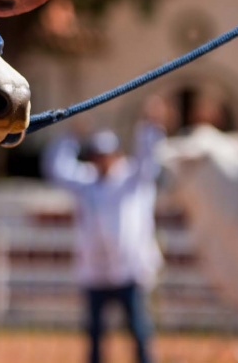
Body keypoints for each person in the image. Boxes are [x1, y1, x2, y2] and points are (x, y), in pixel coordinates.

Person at [42, 97, 168, 363]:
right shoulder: (85, 180)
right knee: (95, 336)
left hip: (129, 271)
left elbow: (149, 159)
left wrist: (150, 125)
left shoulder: (132, 178)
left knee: (139, 331)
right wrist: (70, 135)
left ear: (116, 155)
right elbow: (55, 167)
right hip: (94, 272)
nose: (101, 161)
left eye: (105, 155)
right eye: (96, 156)